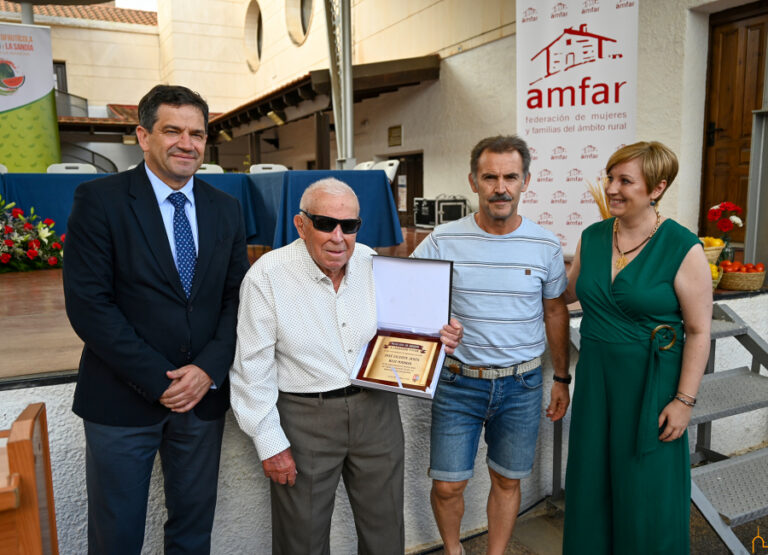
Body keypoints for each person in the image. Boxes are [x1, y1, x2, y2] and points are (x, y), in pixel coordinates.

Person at [63, 85, 250, 554]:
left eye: (197, 134)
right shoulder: (99, 200)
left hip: (200, 399)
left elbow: (238, 300)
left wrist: (208, 368)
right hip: (121, 401)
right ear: (143, 136)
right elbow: (89, 305)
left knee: (192, 532)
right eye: (173, 131)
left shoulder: (224, 209)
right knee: (116, 536)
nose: (186, 143)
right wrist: (158, 379)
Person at [230, 178, 462, 555]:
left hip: (377, 413)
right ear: (301, 224)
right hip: (304, 419)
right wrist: (270, 442)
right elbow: (251, 370)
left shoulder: (375, 265)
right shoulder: (266, 277)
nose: (339, 237)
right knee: (300, 539)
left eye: (350, 226)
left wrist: (442, 338)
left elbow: (411, 330)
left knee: (386, 531)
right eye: (325, 224)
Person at [412, 135, 571, 555]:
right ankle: (453, 551)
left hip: (521, 386)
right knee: (447, 485)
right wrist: (434, 324)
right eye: (490, 177)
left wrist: (561, 377)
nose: (500, 187)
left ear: (525, 182)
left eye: (510, 177)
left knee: (507, 479)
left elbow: (555, 312)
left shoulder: (545, 245)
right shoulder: (442, 241)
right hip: (458, 381)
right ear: (473, 181)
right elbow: (408, 299)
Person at [562, 141, 712, 553]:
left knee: (647, 493)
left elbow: (699, 331)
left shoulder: (683, 247)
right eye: (610, 177)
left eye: (625, 180)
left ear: (657, 188)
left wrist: (684, 401)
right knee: (592, 486)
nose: (612, 188)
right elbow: (566, 294)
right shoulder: (592, 238)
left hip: (652, 389)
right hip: (595, 384)